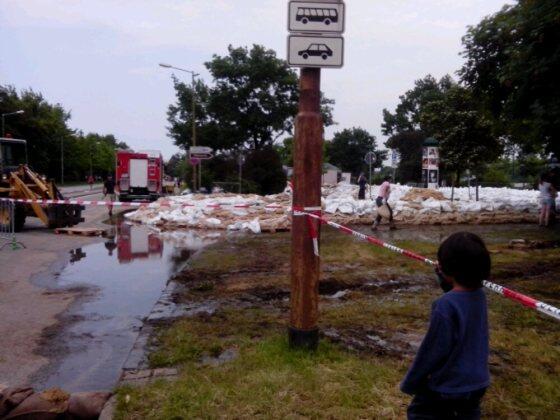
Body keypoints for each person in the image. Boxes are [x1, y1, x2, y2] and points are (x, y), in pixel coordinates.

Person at [401, 232, 491, 419]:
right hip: (477, 382)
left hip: (448, 386)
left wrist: (411, 382)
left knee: (420, 413)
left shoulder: (445, 305)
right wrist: (444, 277)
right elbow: (459, 295)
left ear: (447, 268)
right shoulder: (479, 296)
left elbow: (432, 351)